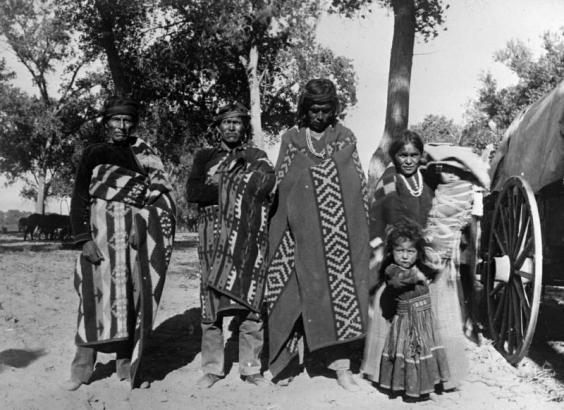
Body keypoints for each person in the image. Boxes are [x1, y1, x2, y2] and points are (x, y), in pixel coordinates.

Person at [63, 96, 177, 391]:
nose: (122, 126)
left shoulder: (143, 156)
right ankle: (81, 369)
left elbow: (160, 197)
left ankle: (125, 365)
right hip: (99, 236)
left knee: (130, 297)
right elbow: (79, 198)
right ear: (106, 122)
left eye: (127, 121)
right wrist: (83, 240)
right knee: (93, 296)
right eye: (116, 120)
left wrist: (146, 228)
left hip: (131, 240)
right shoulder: (94, 152)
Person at [266, 78, 370, 391]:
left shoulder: (344, 137)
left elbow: (354, 182)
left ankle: (341, 367)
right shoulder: (292, 137)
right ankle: (286, 361)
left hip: (338, 235)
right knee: (294, 285)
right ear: (304, 109)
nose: (319, 116)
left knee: (338, 293)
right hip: (298, 232)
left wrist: (311, 180)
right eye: (313, 110)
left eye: (325, 110)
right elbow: (282, 181)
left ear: (333, 109)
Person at [186, 102, 276, 388]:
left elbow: (269, 185)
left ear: (245, 127)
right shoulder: (205, 156)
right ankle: (212, 367)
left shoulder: (256, 156)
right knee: (210, 299)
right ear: (218, 127)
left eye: (238, 122)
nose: (232, 127)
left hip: (247, 236)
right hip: (211, 233)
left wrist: (221, 182)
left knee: (251, 299)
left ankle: (250, 368)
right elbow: (194, 192)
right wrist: (235, 184)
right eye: (227, 122)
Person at [362, 130, 434, 384]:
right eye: (403, 155)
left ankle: (416, 368)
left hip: (416, 246)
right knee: (391, 303)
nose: (409, 160)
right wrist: (407, 245)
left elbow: (429, 211)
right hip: (389, 245)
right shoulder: (390, 178)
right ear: (395, 156)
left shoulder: (422, 182)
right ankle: (384, 366)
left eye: (414, 155)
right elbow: (389, 212)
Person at [423, 147, 490, 391]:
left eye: (455, 171)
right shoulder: (438, 191)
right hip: (437, 252)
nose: (449, 176)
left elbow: (455, 220)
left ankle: (445, 368)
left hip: (451, 254)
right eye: (445, 171)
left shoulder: (462, 192)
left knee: (449, 303)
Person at [377, 222, 449, 400]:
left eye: (410, 252)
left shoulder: (418, 267)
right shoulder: (392, 270)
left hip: (425, 318)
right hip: (408, 321)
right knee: (413, 352)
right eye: (400, 251)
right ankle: (413, 390)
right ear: (392, 252)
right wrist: (419, 275)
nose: (404, 256)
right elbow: (401, 279)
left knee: (426, 351)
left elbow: (436, 266)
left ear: (417, 254)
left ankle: (428, 386)